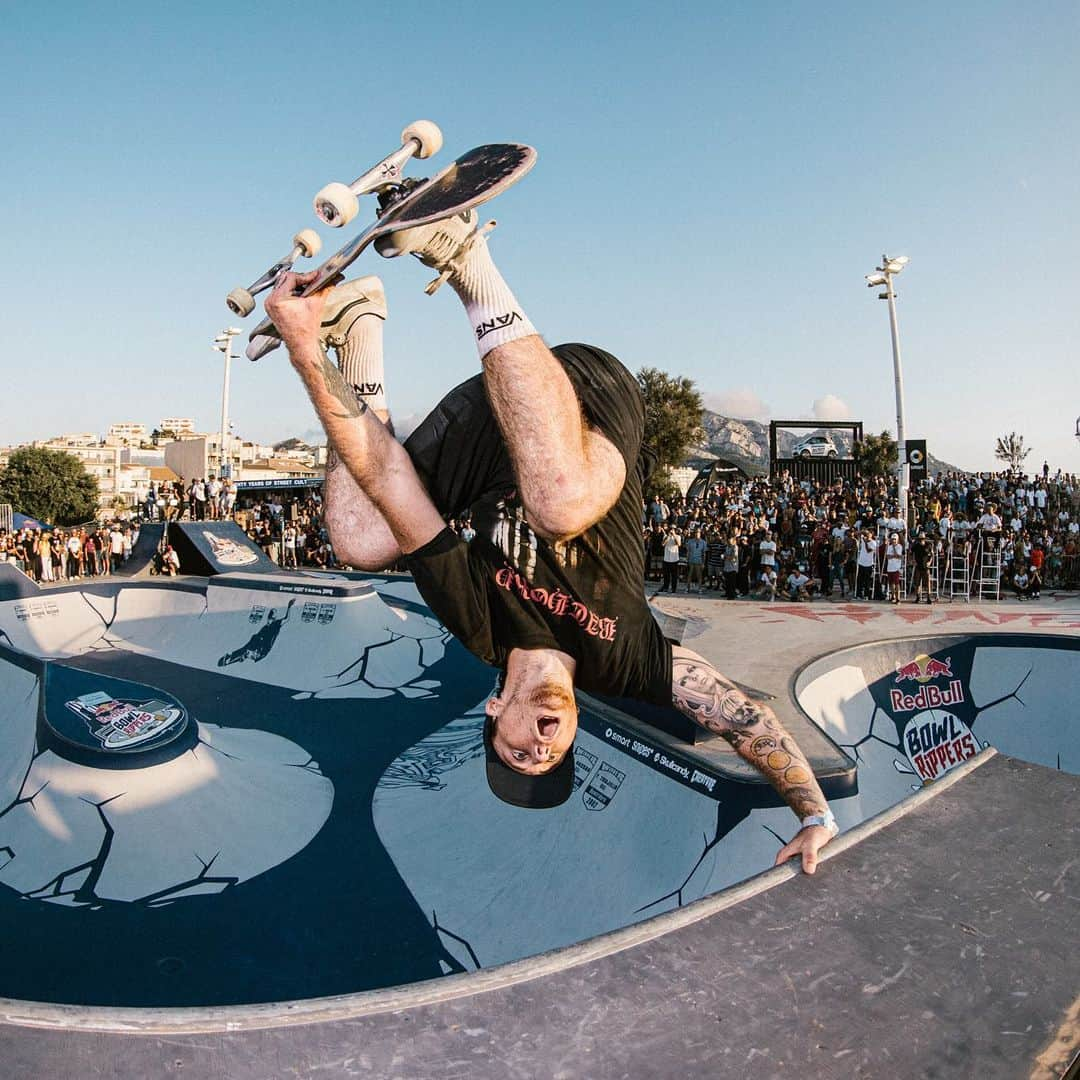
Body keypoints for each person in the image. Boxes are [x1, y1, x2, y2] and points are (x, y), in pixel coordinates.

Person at [264, 213, 837, 871]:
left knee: (363, 539)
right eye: (552, 758)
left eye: (516, 753)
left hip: (490, 432)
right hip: (591, 410)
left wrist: (303, 350)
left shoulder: (478, 625)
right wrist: (815, 814)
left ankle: (362, 329)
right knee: (561, 501)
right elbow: (742, 721)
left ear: (497, 707)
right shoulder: (623, 661)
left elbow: (392, 482)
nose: (539, 753)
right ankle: (468, 263)